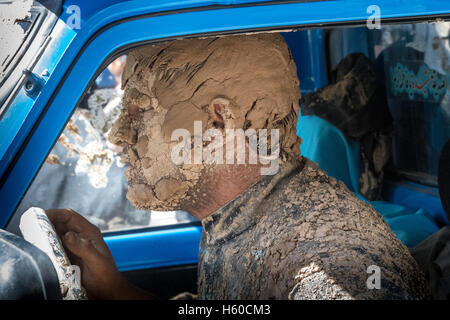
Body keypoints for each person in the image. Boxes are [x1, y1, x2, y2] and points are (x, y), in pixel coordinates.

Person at [46, 33, 429, 299]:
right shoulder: (237, 215)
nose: (117, 135)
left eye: (141, 112)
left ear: (220, 121)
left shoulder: (329, 266)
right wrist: (115, 290)